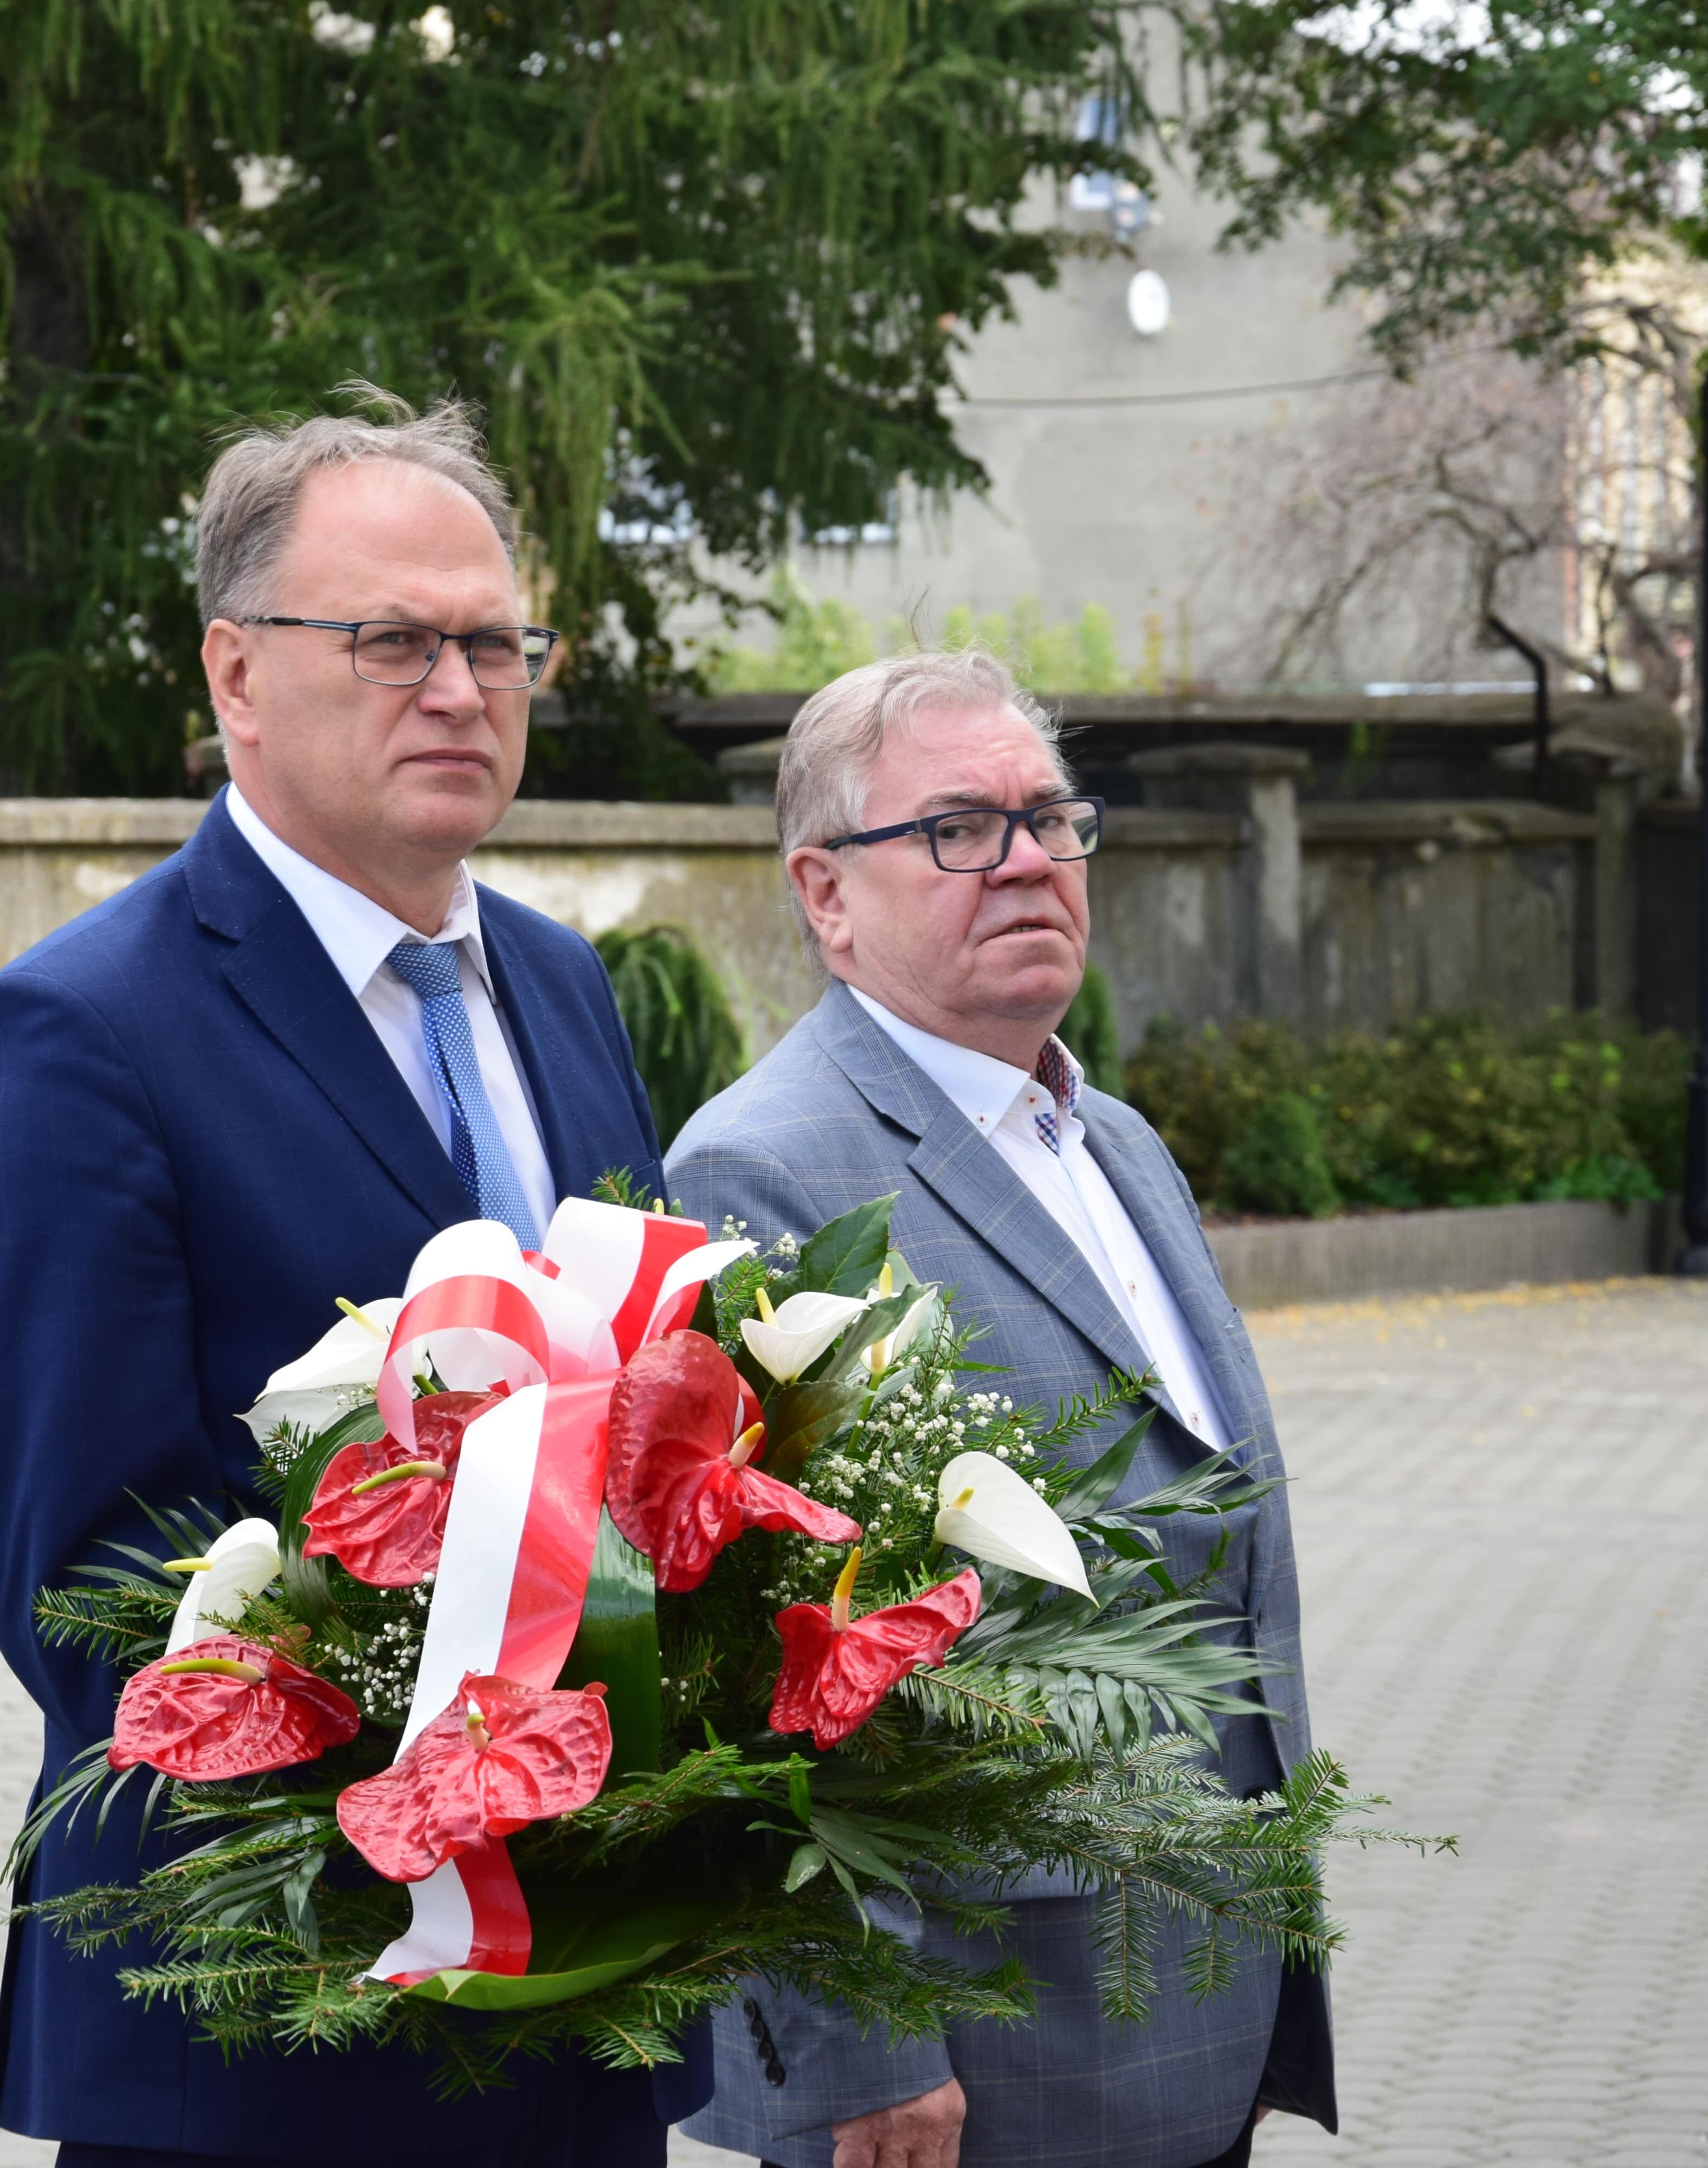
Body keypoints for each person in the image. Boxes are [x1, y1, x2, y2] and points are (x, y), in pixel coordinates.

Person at [0, 387, 707, 2165]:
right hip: (266, 2036)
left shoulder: (563, 991)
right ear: (234, 676)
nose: (459, 688)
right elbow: (89, 1591)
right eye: (392, 641)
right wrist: (449, 1763)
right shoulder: (87, 1032)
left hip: (576, 2009)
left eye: (498, 643)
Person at [663, 651, 1332, 2168]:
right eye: (961, 828)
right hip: (965, 2065)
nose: (1029, 859)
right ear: (826, 895)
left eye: (1052, 817)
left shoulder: (1119, 1146)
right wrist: (860, 2045)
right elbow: (751, 1668)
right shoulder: (764, 1175)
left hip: (1184, 2012)